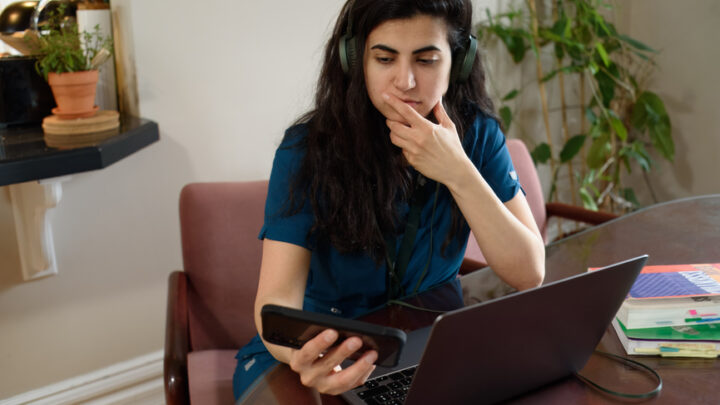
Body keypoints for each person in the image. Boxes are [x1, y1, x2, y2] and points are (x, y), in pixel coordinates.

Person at [233, 0, 545, 400]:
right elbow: (275, 307)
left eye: (426, 60)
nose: (406, 81)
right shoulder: (306, 151)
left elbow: (529, 272)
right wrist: (307, 357)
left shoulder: (477, 136)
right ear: (355, 60)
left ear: (458, 61)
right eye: (384, 59)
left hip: (429, 348)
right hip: (309, 354)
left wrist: (458, 172)